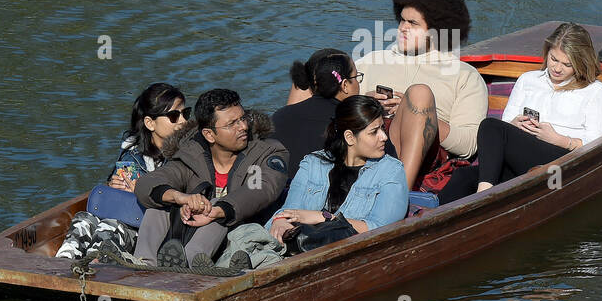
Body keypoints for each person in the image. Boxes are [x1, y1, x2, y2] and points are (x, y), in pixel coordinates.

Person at [439, 23, 602, 201]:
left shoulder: (594, 91)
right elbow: (504, 127)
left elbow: (597, 145)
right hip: (522, 157)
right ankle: (432, 219)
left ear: (581, 62)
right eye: (554, 59)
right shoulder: (528, 80)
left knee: (490, 125)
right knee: (463, 177)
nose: (557, 68)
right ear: (547, 52)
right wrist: (515, 124)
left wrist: (559, 140)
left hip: (562, 164)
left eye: (567, 64)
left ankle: (483, 197)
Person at [356, 0, 488, 189]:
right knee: (317, 69)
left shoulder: (464, 76)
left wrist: (421, 115)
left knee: (419, 96)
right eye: (402, 20)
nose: (402, 28)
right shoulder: (370, 61)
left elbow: (468, 145)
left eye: (413, 23)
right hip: (366, 143)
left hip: (424, 156)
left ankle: (398, 194)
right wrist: (363, 104)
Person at [133, 88, 289, 269]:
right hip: (186, 235)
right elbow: (148, 183)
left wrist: (217, 210)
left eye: (243, 118)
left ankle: (191, 266)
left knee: (215, 203)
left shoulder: (265, 152)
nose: (243, 127)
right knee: (159, 203)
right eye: (232, 124)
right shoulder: (191, 154)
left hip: (238, 238)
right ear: (209, 134)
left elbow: (260, 189)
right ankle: (143, 266)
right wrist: (180, 197)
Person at [55, 83, 187, 261]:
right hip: (124, 214)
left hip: (150, 227)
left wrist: (142, 192)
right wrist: (112, 186)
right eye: (174, 116)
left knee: (110, 226)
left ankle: (94, 267)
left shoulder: (186, 153)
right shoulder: (133, 153)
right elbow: (115, 191)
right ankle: (61, 265)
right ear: (149, 123)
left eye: (185, 113)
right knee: (83, 220)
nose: (183, 121)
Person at [266, 96, 409, 243]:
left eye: (382, 128)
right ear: (350, 137)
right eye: (374, 132)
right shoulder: (312, 164)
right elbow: (290, 210)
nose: (384, 137)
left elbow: (382, 228)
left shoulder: (391, 170)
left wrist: (324, 217)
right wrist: (280, 221)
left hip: (356, 252)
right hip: (304, 248)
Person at [272, 50, 365, 172]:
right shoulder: (352, 125)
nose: (358, 83)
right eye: (356, 77)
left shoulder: (278, 116)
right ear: (345, 85)